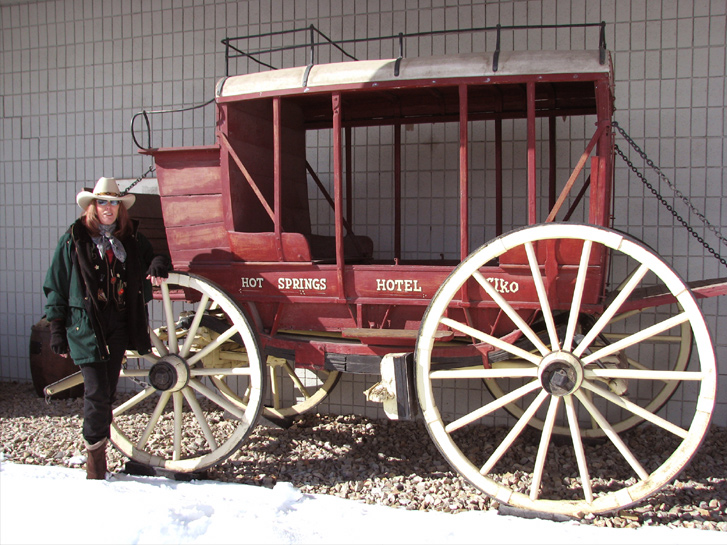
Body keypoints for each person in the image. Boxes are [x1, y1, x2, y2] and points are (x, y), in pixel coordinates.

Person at [43, 177, 170, 479]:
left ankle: (97, 454)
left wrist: (157, 263)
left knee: (108, 392)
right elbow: (56, 285)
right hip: (86, 326)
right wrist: (57, 328)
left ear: (119, 208)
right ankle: (95, 467)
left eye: (113, 202)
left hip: (120, 325)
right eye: (102, 202)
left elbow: (153, 255)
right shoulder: (74, 239)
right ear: (92, 206)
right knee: (98, 393)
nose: (108, 208)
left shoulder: (131, 239)